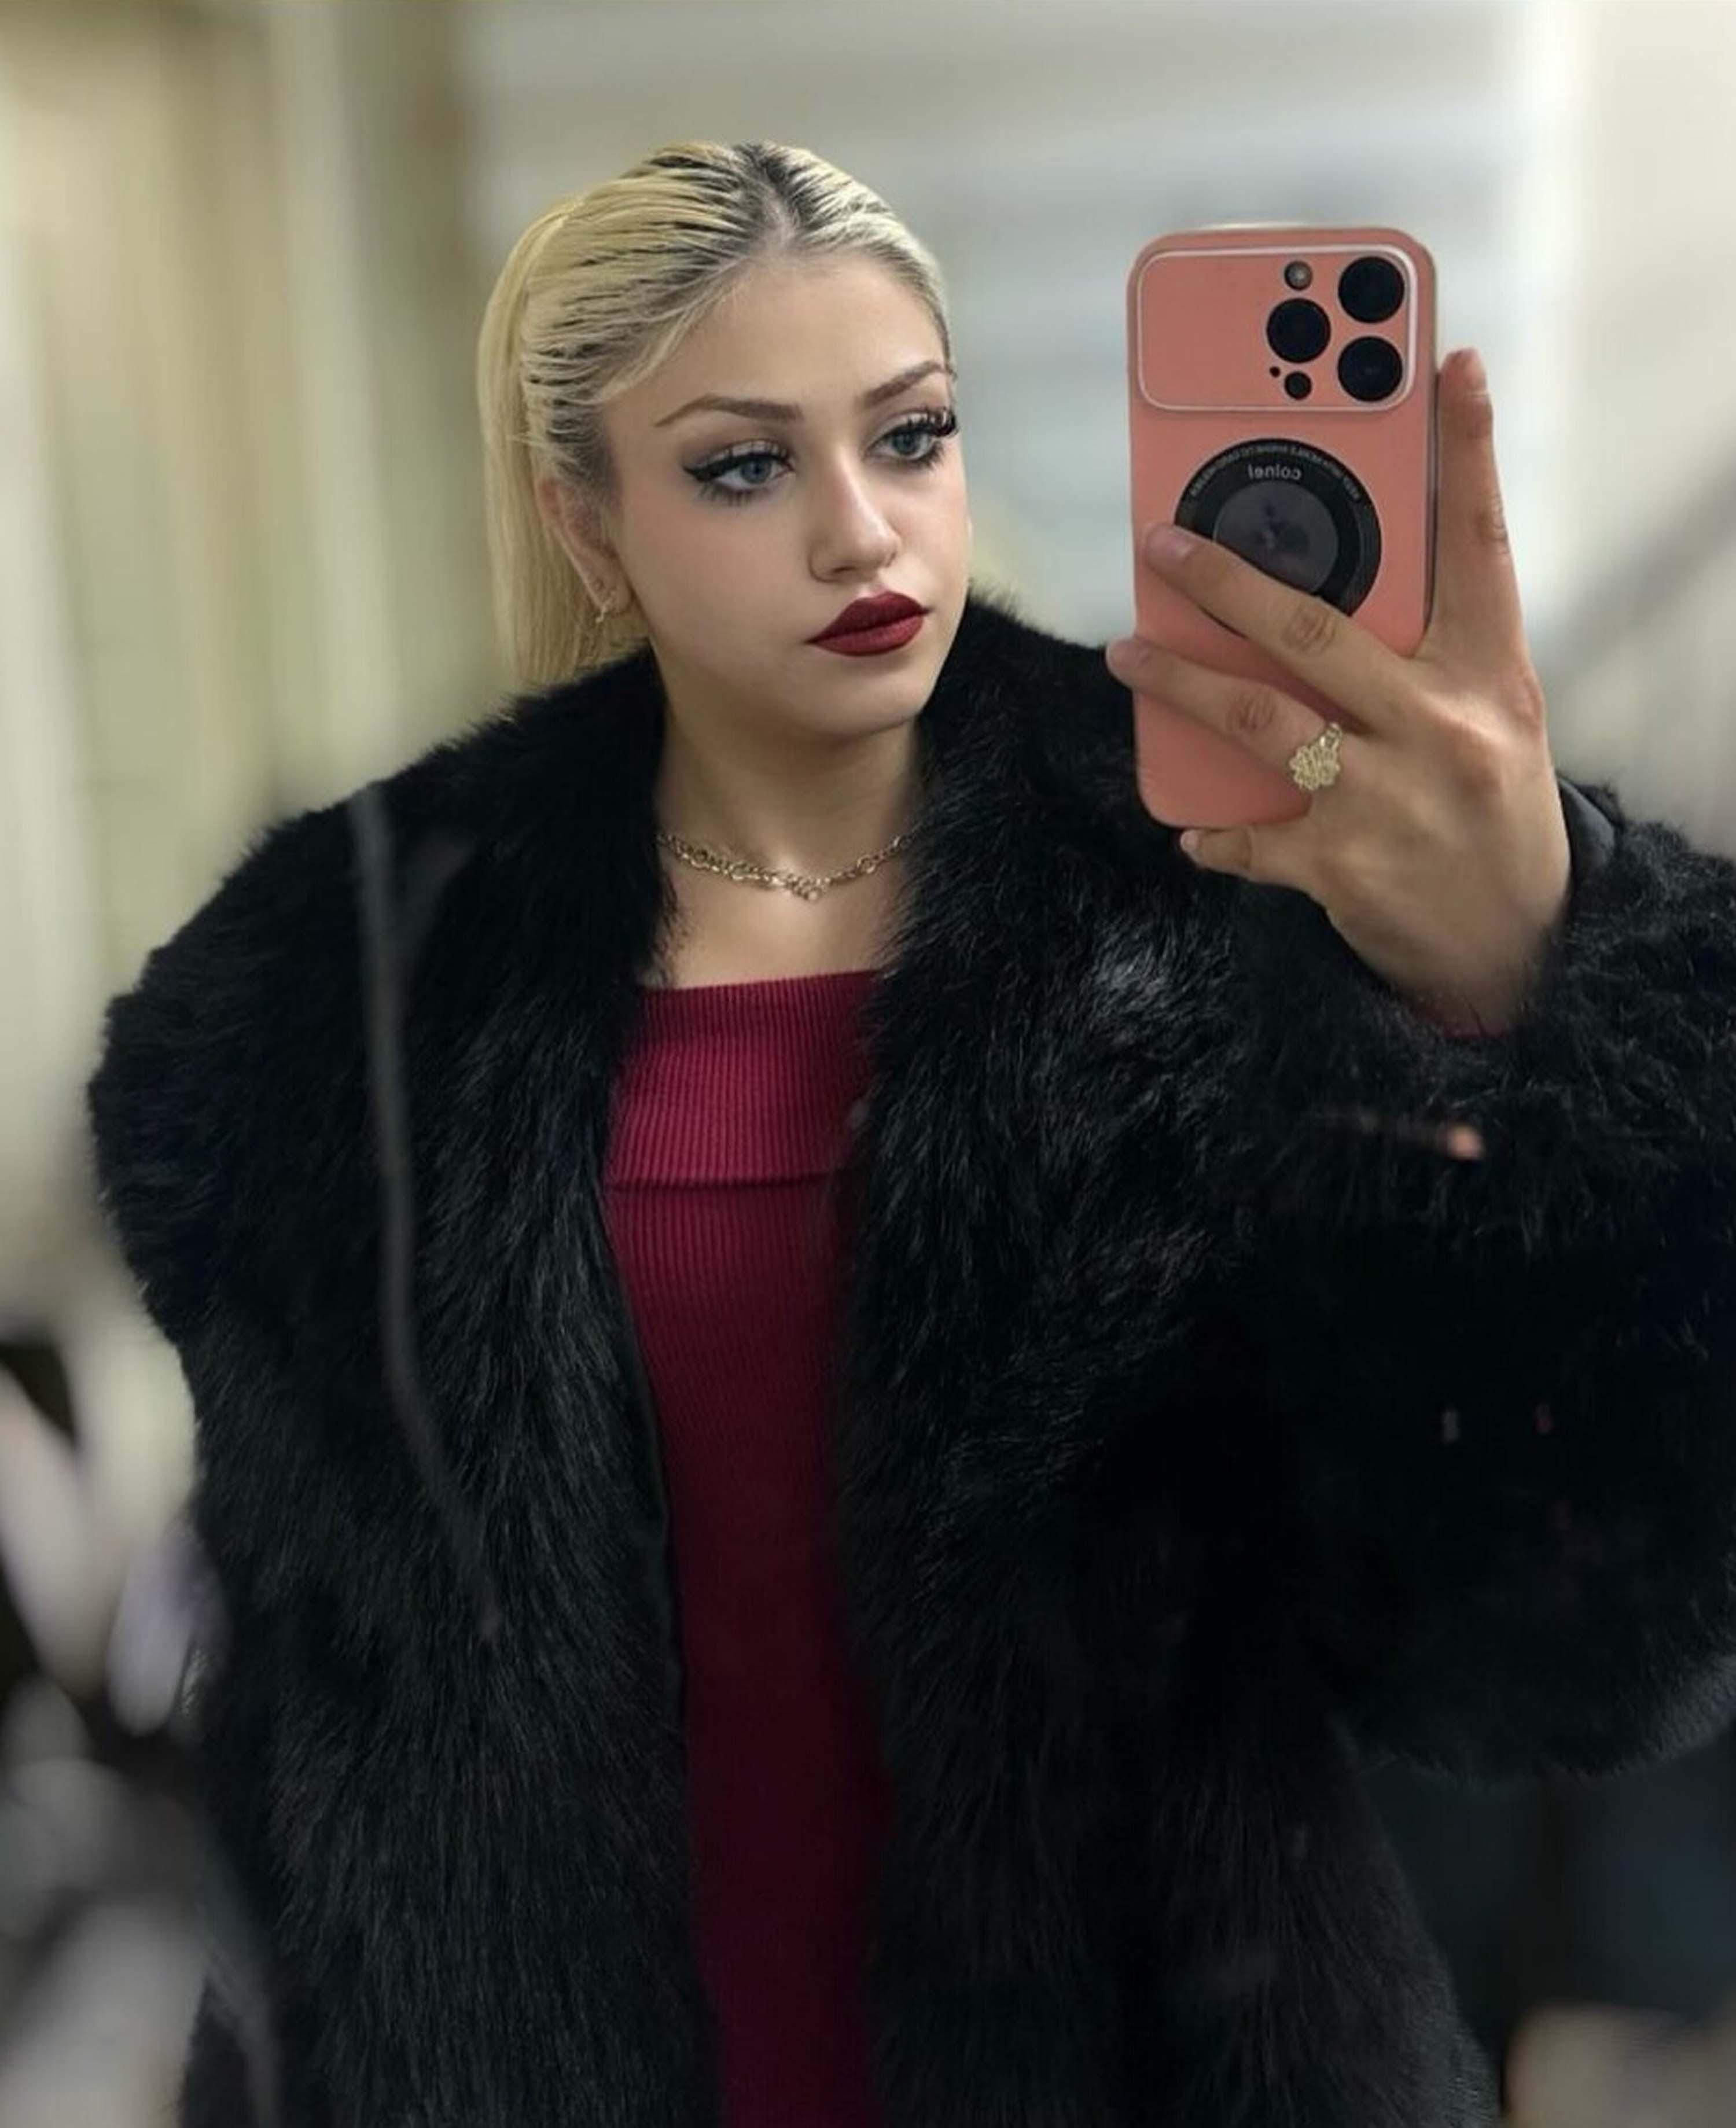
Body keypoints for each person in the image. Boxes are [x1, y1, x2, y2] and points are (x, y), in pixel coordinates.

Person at [81, 138, 1736, 2128]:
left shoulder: (1214, 915)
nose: (862, 530)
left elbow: (1561, 1655)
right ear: (587, 522)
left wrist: (1533, 971)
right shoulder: (340, 1015)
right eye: (743, 465)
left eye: (912, 435)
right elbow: (321, 1774)